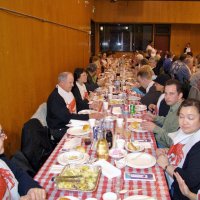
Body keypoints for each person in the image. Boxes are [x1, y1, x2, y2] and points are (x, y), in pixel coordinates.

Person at [156, 99, 200, 200]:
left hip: (180, 194)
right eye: (181, 117)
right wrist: (169, 150)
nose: (184, 122)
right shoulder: (185, 131)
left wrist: (166, 165)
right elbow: (185, 153)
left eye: (190, 118)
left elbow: (189, 181)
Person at [46, 72, 103, 142]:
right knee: (88, 133)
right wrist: (89, 116)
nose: (72, 85)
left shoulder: (67, 91)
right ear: (62, 83)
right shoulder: (56, 98)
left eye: (72, 82)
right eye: (70, 83)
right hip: (60, 129)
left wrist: (89, 106)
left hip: (69, 122)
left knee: (93, 125)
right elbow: (68, 117)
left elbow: (76, 106)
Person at [0, 126, 46, 199]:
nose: (6, 137)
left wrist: (30, 188)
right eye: (1, 135)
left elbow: (18, 174)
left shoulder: (2, 159)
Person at [141, 79, 183, 148]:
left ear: (180, 95)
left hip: (162, 146)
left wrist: (156, 128)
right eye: (166, 93)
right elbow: (168, 122)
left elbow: (173, 142)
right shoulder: (174, 105)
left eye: (171, 93)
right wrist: (154, 118)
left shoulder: (182, 113)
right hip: (159, 139)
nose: (167, 97)